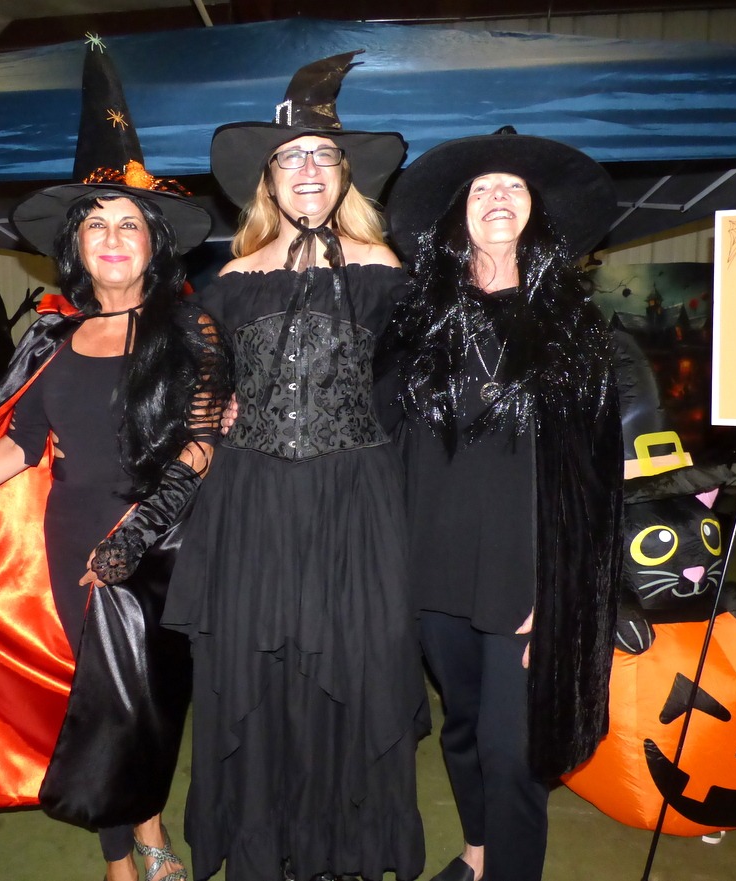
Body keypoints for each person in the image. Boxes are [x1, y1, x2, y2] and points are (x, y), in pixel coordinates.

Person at [0, 41, 231, 881]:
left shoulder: (191, 333)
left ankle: (153, 831)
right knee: (103, 699)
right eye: (95, 223)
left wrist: (132, 541)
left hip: (168, 547)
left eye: (127, 223)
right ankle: (132, 847)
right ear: (77, 243)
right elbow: (18, 443)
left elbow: (201, 446)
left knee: (155, 700)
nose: (111, 236)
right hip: (72, 538)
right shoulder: (52, 337)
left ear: (152, 242)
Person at [161, 52, 427, 881]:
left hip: (354, 504)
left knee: (350, 669)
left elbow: (418, 393)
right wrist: (219, 413)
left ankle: (343, 851)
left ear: (344, 174)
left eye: (321, 157)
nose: (306, 169)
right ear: (267, 182)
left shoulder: (391, 274)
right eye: (289, 158)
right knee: (259, 677)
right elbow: (198, 395)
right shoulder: (229, 281)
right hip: (252, 506)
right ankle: (266, 849)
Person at [377, 127, 624, 881]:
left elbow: (595, 486)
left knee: (511, 749)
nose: (495, 196)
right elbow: (371, 430)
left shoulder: (574, 332)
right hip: (432, 570)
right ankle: (478, 853)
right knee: (460, 727)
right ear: (457, 216)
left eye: (512, 187)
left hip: (524, 576)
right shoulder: (415, 322)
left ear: (536, 212)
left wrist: (560, 592)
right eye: (480, 187)